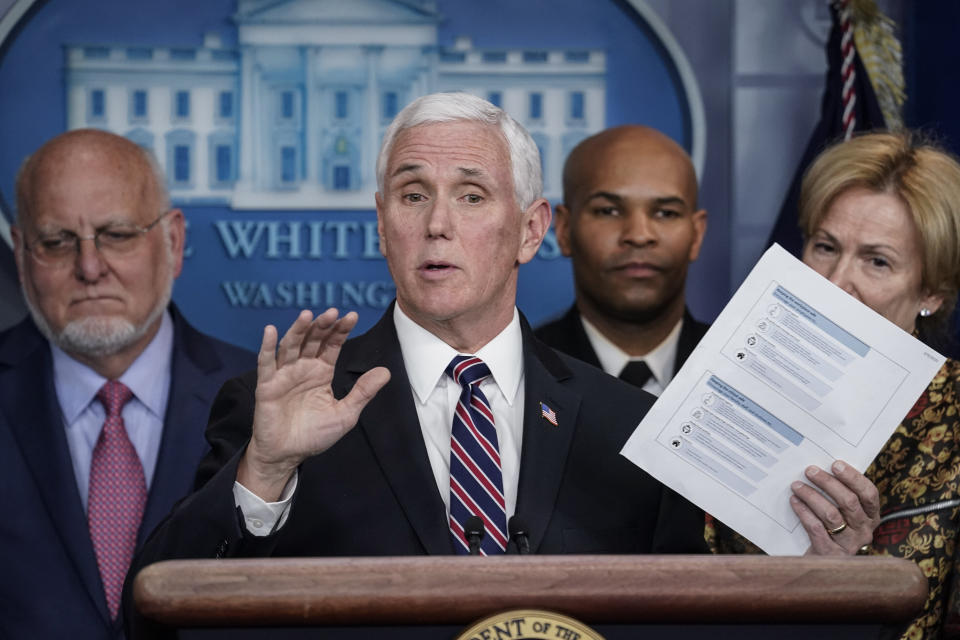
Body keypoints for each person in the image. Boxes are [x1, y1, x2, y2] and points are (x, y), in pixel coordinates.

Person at [125, 93, 878, 636]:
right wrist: (264, 475)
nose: (438, 224)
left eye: (472, 195)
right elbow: (155, 613)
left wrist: (829, 576)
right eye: (412, 194)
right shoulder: (283, 408)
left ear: (530, 230)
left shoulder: (633, 428)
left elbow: (696, 625)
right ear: (382, 225)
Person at [0, 129, 255, 639]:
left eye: (116, 235)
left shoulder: (263, 401)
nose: (90, 268)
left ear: (174, 242)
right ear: (23, 260)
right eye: (56, 242)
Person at [708, 131, 960, 640]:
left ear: (930, 291)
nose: (835, 281)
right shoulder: (724, 380)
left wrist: (852, 572)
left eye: (877, 261)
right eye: (825, 247)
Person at [535, 125, 708, 394]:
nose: (639, 235)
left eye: (665, 213)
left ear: (696, 235)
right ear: (565, 230)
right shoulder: (519, 375)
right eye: (609, 211)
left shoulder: (747, 375)